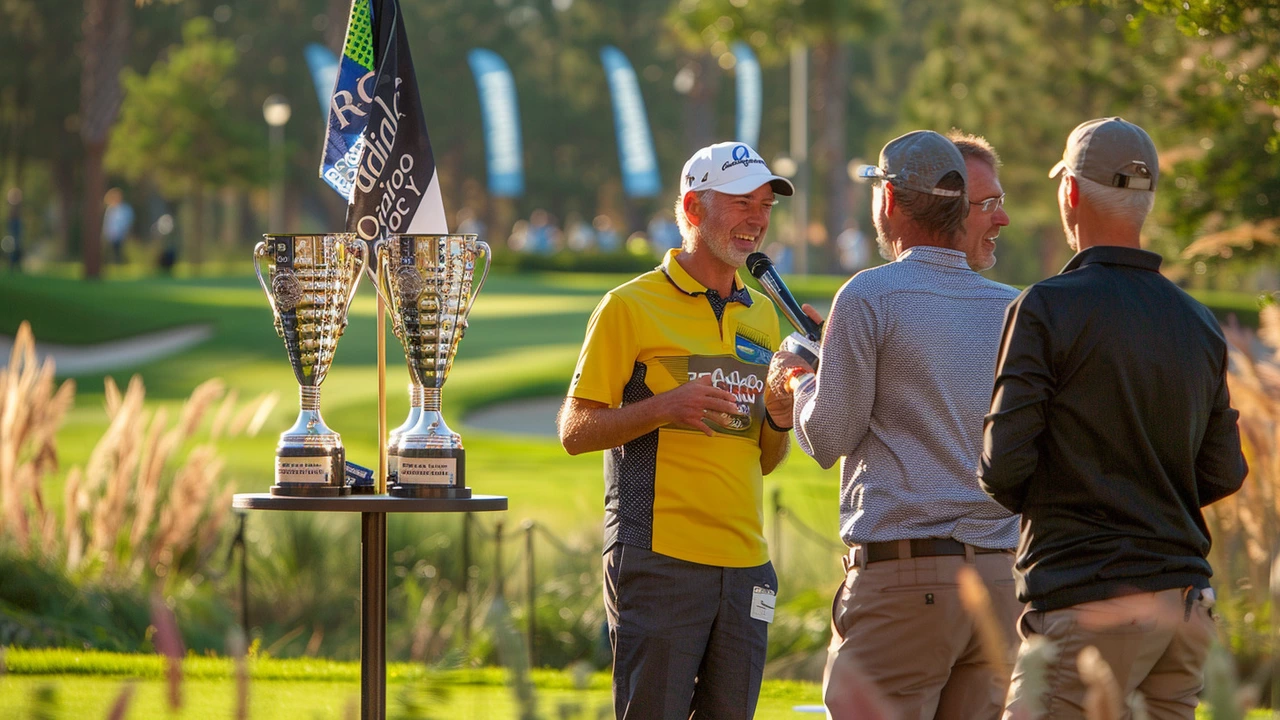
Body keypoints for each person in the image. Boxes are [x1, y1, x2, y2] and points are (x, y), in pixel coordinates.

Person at [981, 117, 1247, 720]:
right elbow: (1224, 470)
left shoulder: (1046, 307)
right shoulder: (1199, 321)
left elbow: (1003, 467)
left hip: (1086, 603)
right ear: (1146, 201)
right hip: (1184, 609)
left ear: (1070, 191)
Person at [766, 130, 1021, 719]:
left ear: (888, 201)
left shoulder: (871, 294)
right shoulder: (1013, 306)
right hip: (999, 581)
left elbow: (827, 436)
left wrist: (799, 377)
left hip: (908, 582)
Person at [558, 141, 795, 719]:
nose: (757, 220)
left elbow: (763, 457)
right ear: (693, 209)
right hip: (658, 560)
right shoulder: (629, 306)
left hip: (746, 567)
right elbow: (575, 429)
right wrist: (665, 407)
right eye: (742, 203)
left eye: (765, 205)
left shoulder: (763, 314)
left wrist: (782, 415)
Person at [102, 188, 133, 264]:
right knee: (111, 252)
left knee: (120, 251)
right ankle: (112, 263)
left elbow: (128, 222)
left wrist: (126, 232)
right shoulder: (110, 209)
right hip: (111, 235)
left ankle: (120, 263)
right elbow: (107, 223)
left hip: (121, 234)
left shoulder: (125, 209)